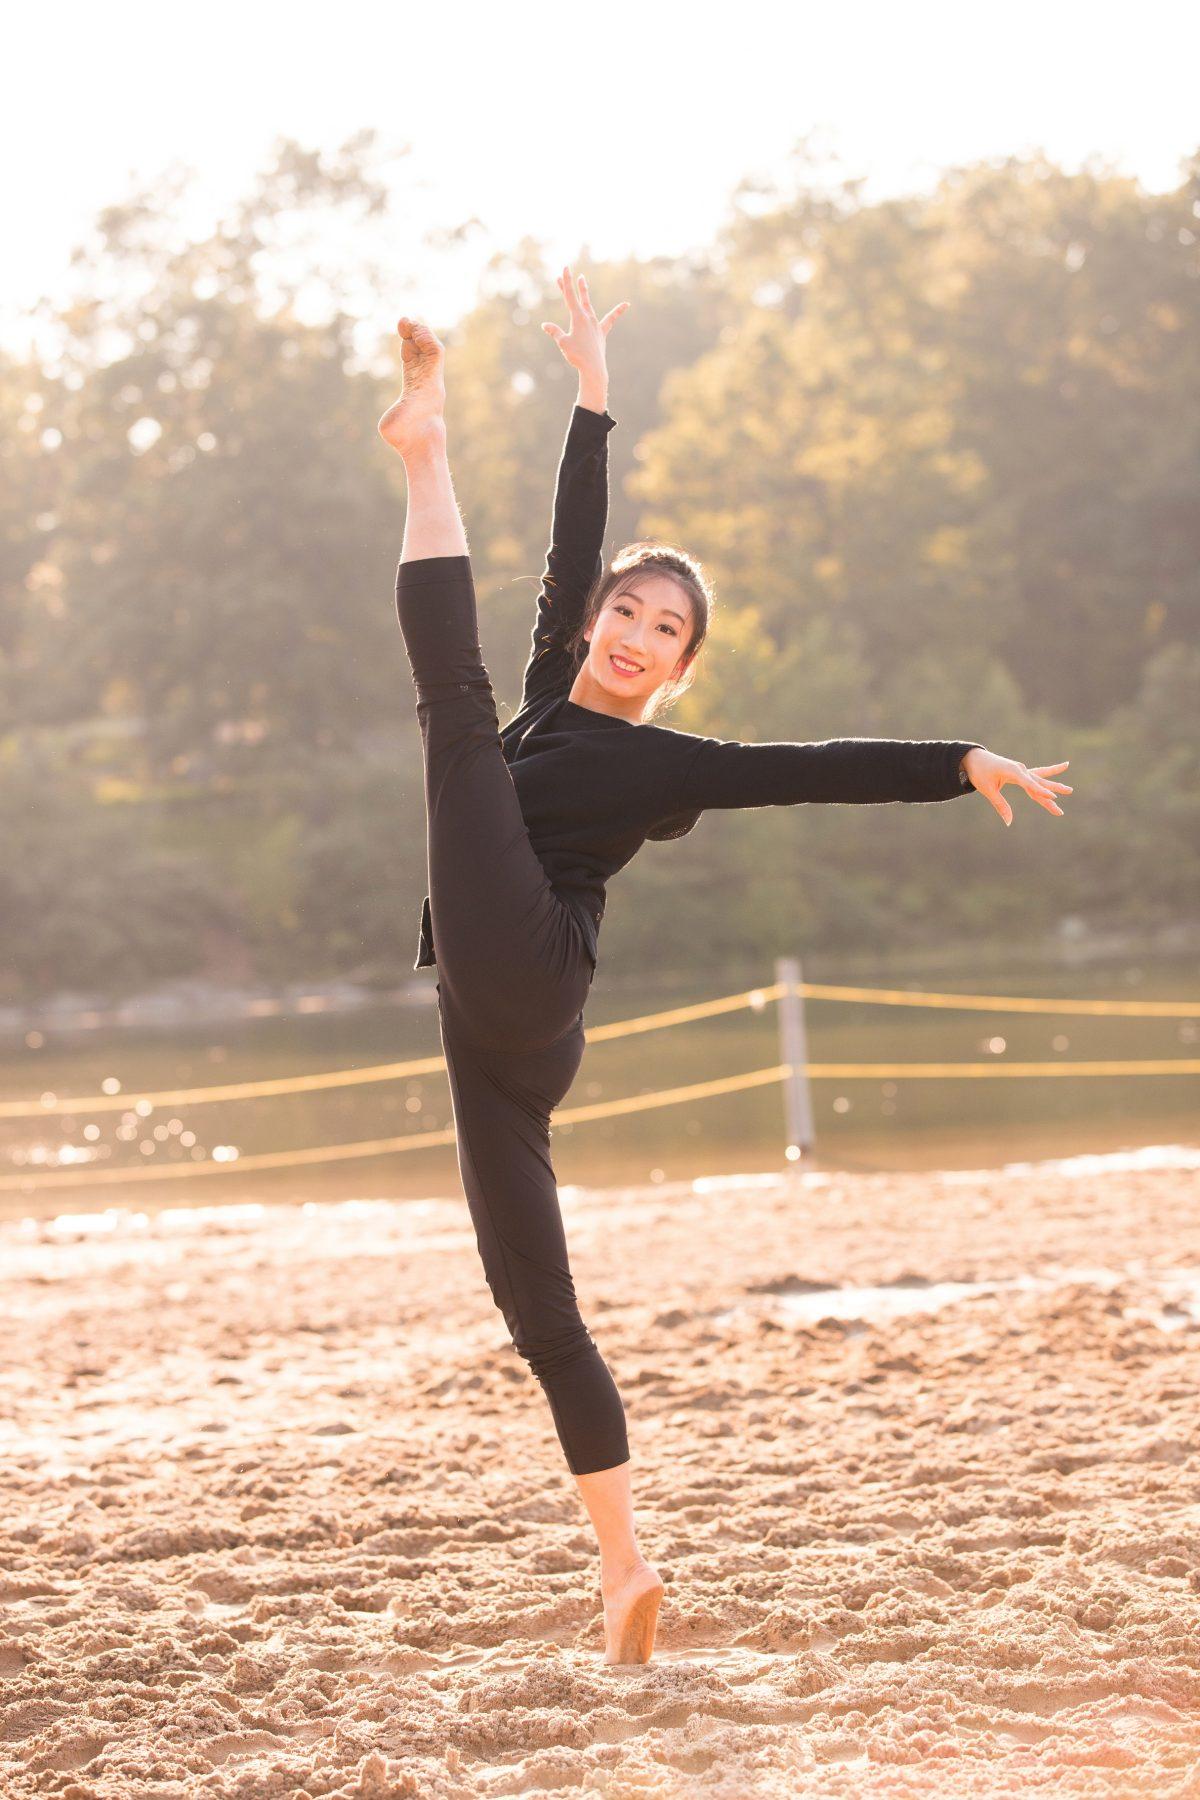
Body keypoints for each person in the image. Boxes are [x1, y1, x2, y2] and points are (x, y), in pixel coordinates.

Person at [377, 267, 1072, 1665]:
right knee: (537, 1310)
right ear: (593, 627)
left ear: (680, 670)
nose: (636, 635)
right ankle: (627, 1568)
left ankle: (424, 449)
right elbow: (575, 544)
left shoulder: (656, 759)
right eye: (627, 615)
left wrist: (958, 763)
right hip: (499, 1036)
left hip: (536, 964)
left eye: (666, 633)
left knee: (447, 715)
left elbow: (809, 769)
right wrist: (591, 396)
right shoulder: (549, 695)